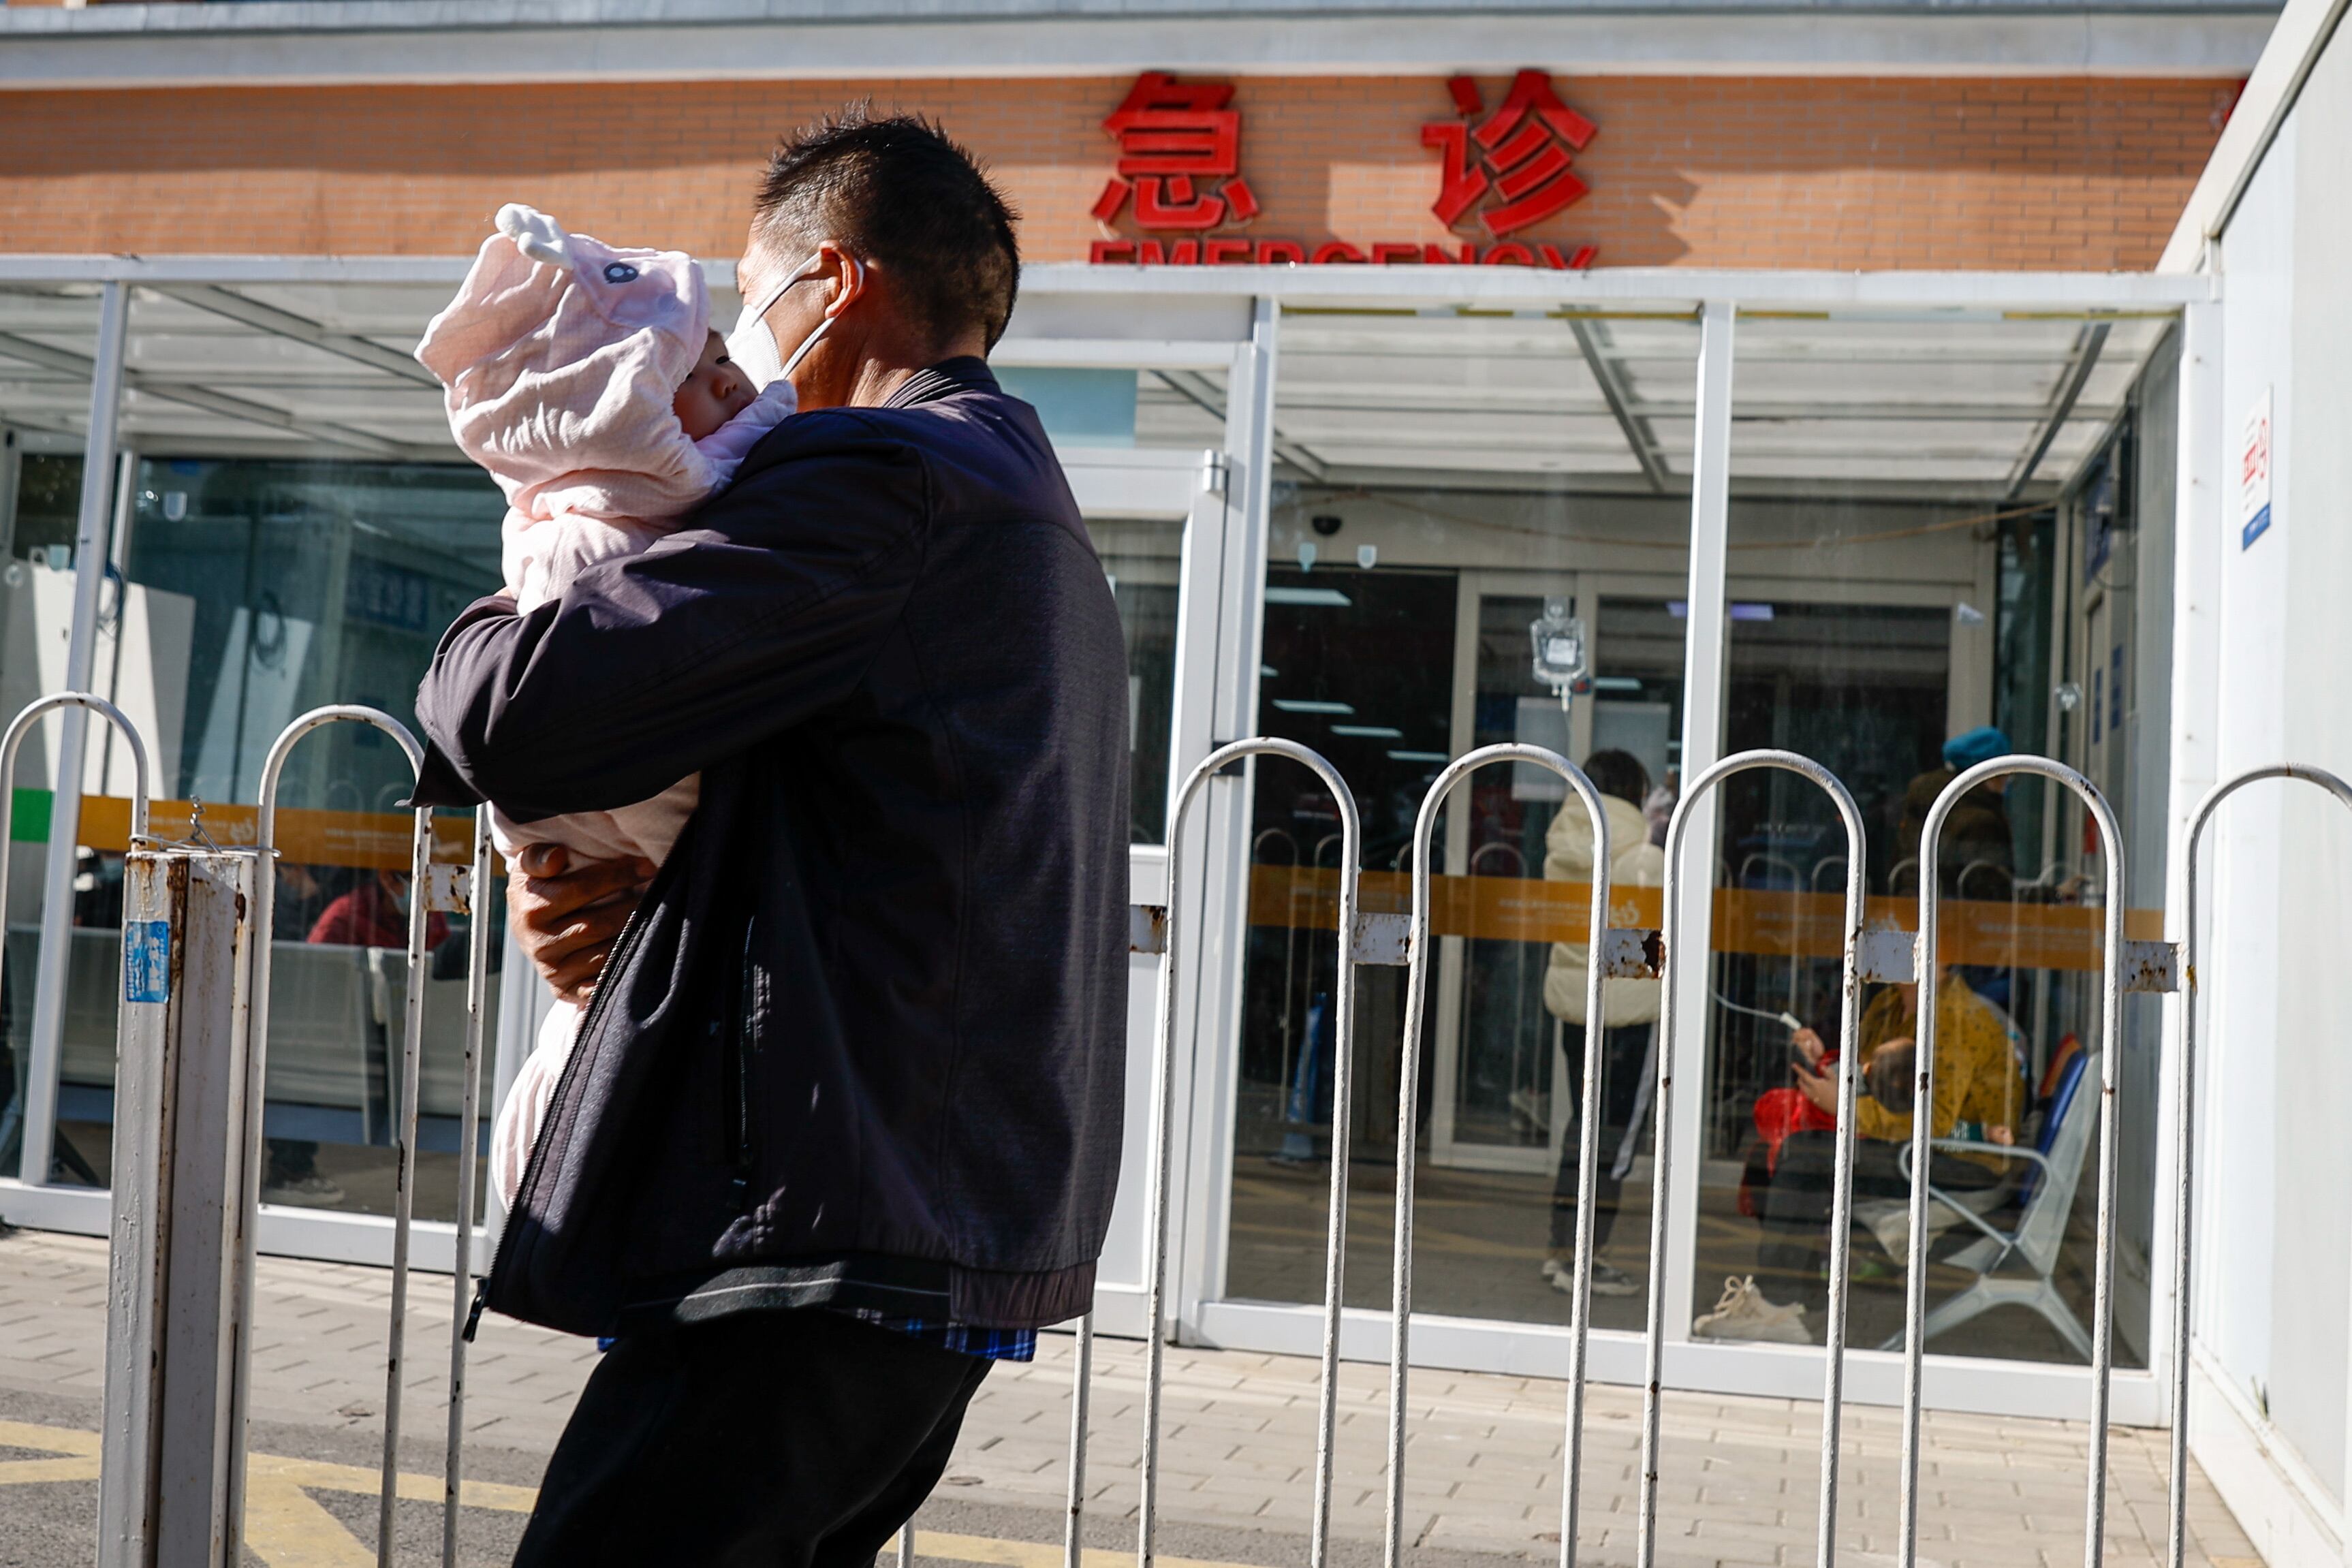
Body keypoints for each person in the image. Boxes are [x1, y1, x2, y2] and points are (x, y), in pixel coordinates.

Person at [411, 110, 1129, 1568]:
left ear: (835, 282)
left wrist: (521, 571)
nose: (728, 350)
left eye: (751, 299)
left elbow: (520, 713)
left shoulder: (880, 476)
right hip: (936, 1218)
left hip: (823, 1226)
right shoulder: (1023, 501)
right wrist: (628, 919)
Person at [414, 202, 798, 1205]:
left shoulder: (641, 519)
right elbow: (609, 738)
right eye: (695, 371)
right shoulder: (598, 538)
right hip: (624, 866)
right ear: (613, 412)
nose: (735, 378)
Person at [1699, 967, 2026, 1341]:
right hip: (1911, 1145)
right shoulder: (1889, 1004)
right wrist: (1825, 1062)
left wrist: (1844, 1107)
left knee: (1806, 1160)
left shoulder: (1957, 1017)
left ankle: (1778, 1304)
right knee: (1778, 1157)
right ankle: (1792, 1302)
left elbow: (1932, 1119)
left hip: (1960, 1160)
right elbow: (1869, 1077)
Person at [1537, 749, 1663, 1300]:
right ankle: (1586, 1257)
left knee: (1582, 1130)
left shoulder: (1563, 848)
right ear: (1636, 795)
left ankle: (1561, 1248)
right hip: (1629, 1016)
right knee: (1615, 1140)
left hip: (1576, 1008)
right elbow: (1647, 947)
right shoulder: (1642, 858)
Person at [1892, 725, 2015, 897]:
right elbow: (1992, 893)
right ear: (1991, 775)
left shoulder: (1923, 803)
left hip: (1909, 911)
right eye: (2006, 774)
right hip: (1954, 918)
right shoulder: (1980, 822)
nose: (2007, 781)